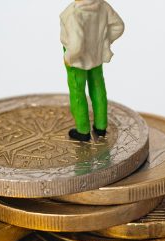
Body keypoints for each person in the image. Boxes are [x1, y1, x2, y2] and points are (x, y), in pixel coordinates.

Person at [60, 0, 125, 141]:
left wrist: (69, 56)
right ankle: (101, 126)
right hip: (96, 53)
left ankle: (83, 130)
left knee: (77, 91)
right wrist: (105, 41)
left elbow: (76, 45)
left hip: (76, 59)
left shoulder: (73, 12)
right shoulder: (102, 5)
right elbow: (118, 26)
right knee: (98, 86)